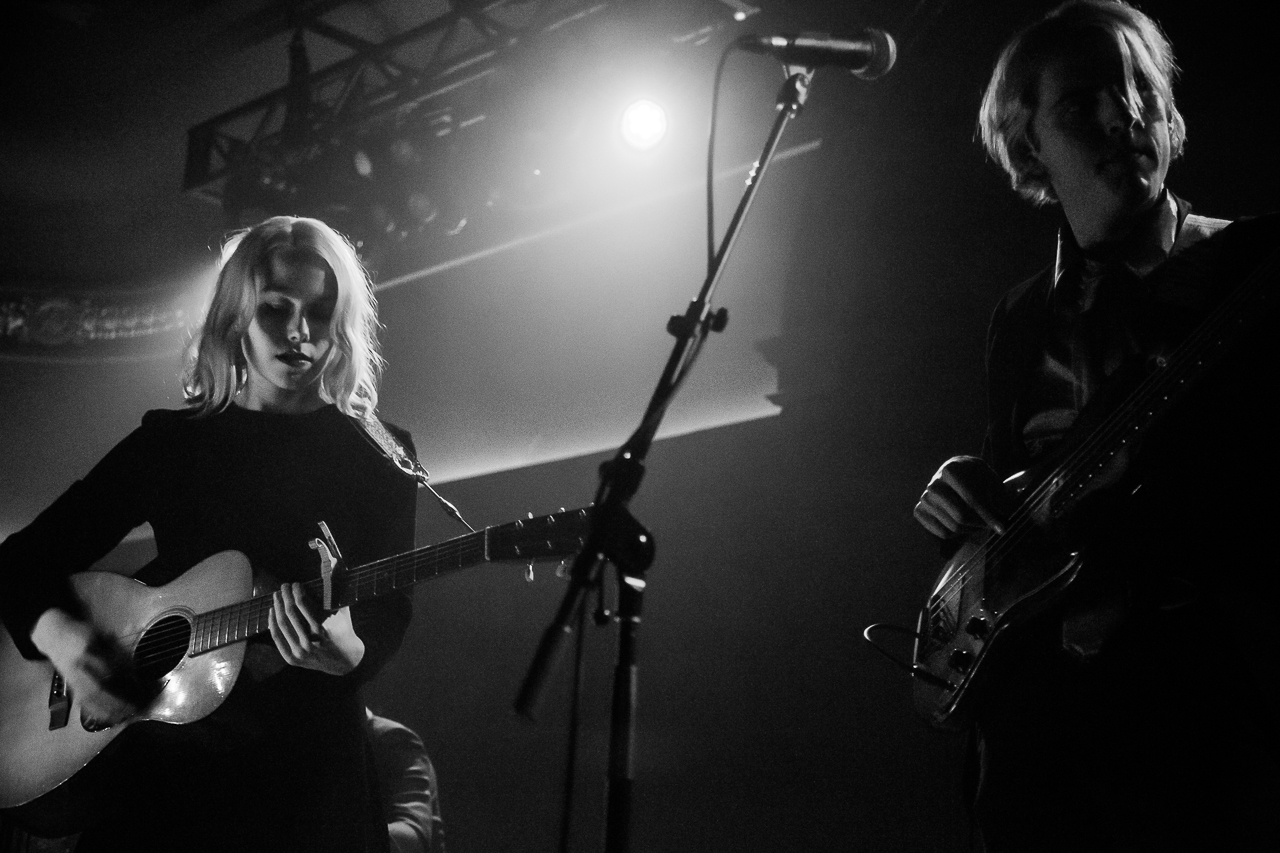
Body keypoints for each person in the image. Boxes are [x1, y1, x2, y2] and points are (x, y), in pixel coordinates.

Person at [912, 2, 1279, 850]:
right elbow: (1017, 529)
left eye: (1139, 90)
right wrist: (966, 500)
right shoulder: (1019, 318)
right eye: (1081, 103)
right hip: (1039, 755)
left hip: (1202, 734)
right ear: (1029, 140)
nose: (1125, 116)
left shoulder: (1250, 267)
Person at [0, 216, 419, 852]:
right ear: (234, 317)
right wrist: (74, 650)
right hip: (162, 782)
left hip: (304, 788)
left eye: (320, 310)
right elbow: (23, 561)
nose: (300, 332)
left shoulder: (379, 455)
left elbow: (387, 613)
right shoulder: (171, 444)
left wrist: (350, 650)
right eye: (276, 308)